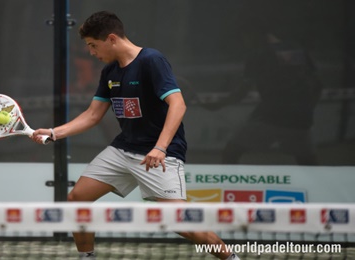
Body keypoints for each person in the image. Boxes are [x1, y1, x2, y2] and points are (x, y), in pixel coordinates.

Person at [30, 11, 239, 260]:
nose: (91, 52)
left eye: (93, 45)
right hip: (123, 149)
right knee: (77, 199)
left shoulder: (152, 60)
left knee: (181, 223)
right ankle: (87, 257)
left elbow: (178, 104)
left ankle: (231, 259)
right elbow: (93, 115)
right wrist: (55, 132)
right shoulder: (109, 73)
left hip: (160, 154)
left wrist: (160, 148)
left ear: (111, 39)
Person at [202, 26, 322, 165]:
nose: (244, 42)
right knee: (308, 164)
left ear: (254, 34)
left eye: (244, 37)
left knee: (231, 152)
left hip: (271, 117)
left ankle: (228, 184)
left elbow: (242, 92)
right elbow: (317, 86)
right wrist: (306, 109)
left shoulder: (258, 55)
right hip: (301, 119)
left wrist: (218, 105)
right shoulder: (292, 49)